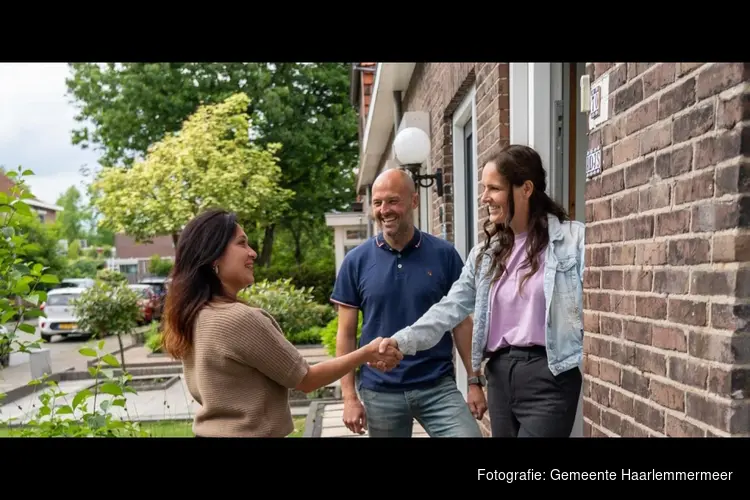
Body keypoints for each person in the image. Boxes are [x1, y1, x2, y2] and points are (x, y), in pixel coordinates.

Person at [378, 144, 585, 438]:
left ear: (525, 188)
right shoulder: (487, 253)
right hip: (500, 377)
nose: (484, 197)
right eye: (484, 187)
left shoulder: (573, 241)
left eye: (494, 188)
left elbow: (596, 309)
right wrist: (402, 341)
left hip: (549, 374)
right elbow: (450, 308)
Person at [160, 208, 403, 438]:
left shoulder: (194, 313)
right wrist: (367, 352)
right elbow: (306, 380)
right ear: (214, 257)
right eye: (241, 243)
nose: (252, 252)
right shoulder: (240, 319)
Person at [331, 168, 485, 438]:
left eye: (392, 201)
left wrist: (474, 380)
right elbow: (345, 335)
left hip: (437, 384)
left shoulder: (444, 255)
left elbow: (461, 322)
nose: (384, 210)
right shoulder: (356, 261)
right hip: (380, 390)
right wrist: (349, 397)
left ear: (414, 201)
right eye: (378, 203)